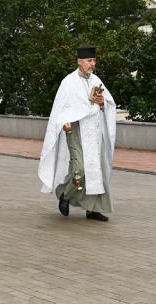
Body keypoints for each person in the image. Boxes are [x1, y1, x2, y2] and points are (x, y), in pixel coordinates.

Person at [38, 44, 117, 223]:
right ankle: (65, 195)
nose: (93, 63)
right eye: (89, 60)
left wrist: (103, 101)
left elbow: (109, 104)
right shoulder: (68, 82)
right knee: (80, 169)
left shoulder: (97, 80)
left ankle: (93, 209)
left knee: (98, 169)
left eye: (94, 60)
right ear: (79, 61)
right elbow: (59, 108)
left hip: (96, 132)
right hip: (77, 130)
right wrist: (62, 122)